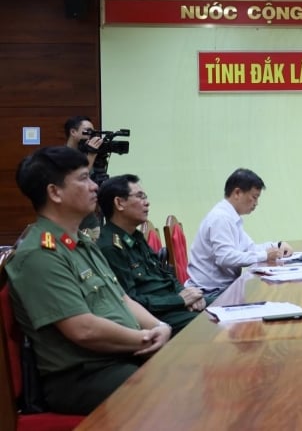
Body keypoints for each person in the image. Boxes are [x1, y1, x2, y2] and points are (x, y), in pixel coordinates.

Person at [5, 147, 172, 415]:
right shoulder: (40, 254)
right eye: (83, 178)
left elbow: (122, 298)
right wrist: (145, 338)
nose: (95, 186)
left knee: (195, 372)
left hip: (121, 357)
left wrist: (160, 327)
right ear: (54, 192)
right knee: (178, 391)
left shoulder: (81, 242)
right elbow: (82, 329)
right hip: (83, 375)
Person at [96, 174, 205, 331]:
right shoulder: (110, 246)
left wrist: (187, 294)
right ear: (119, 203)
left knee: (229, 304)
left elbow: (165, 275)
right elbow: (131, 302)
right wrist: (179, 300)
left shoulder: (136, 236)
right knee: (214, 323)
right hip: (156, 317)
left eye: (145, 197)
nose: (147, 203)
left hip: (174, 304)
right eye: (140, 197)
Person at [185, 168, 293, 294]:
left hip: (223, 288)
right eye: (254, 197)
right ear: (237, 193)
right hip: (209, 292)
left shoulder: (231, 217)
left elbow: (250, 248)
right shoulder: (221, 218)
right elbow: (225, 258)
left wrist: (277, 245)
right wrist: (264, 255)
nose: (256, 203)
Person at [63, 115, 105, 240]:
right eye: (87, 131)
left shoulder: (89, 155)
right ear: (73, 132)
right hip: (68, 220)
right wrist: (91, 155)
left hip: (90, 221)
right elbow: (75, 180)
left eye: (93, 132)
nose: (91, 135)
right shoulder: (60, 156)